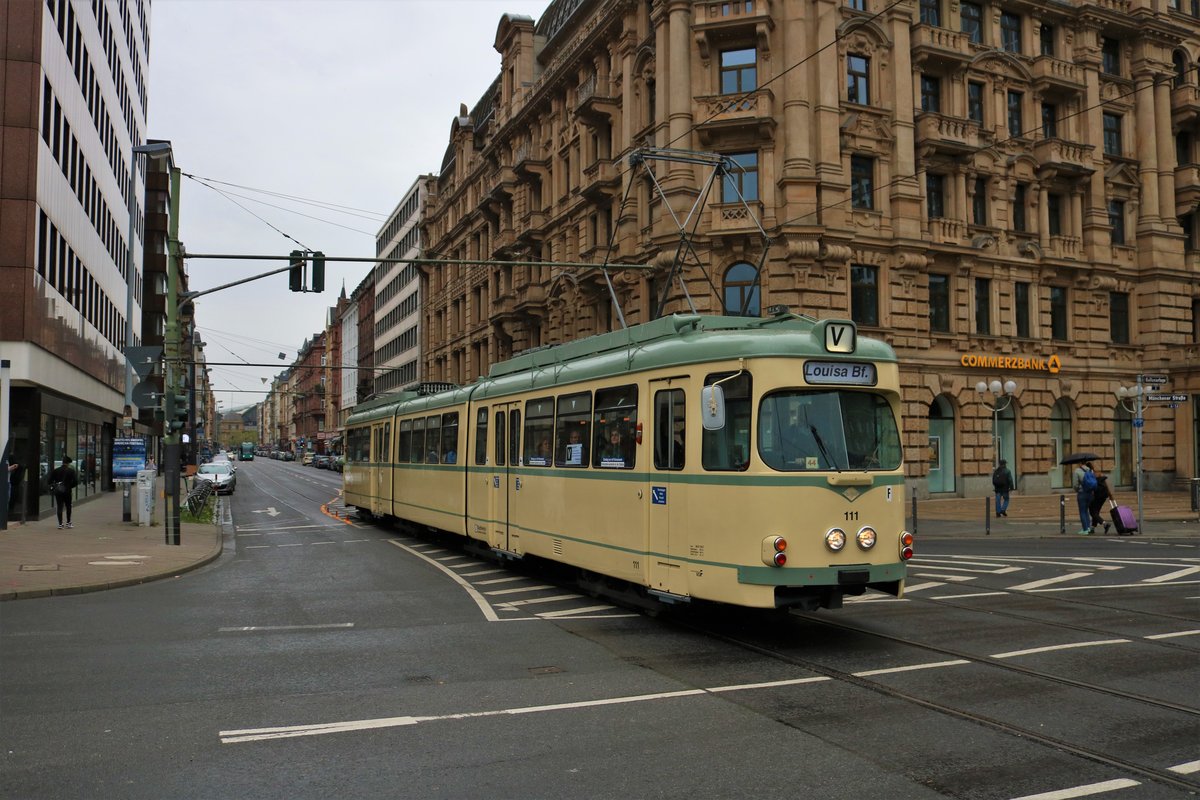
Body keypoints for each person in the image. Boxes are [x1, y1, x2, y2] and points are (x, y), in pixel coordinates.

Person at [49, 456, 79, 529]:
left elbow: (49, 481)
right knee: (68, 506)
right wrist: (69, 486)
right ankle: (68, 522)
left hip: (58, 491)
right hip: (67, 491)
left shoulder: (56, 470)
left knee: (59, 506)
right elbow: (76, 482)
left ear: (62, 462)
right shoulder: (71, 471)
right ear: (68, 463)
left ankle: (60, 524)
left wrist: (55, 485)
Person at [1072, 460, 1097, 535]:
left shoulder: (1077, 471)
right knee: (1086, 511)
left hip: (1082, 493)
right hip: (1090, 493)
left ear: (1080, 463)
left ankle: (1085, 529)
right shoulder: (1090, 470)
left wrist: (1077, 489)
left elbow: (1075, 484)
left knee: (1082, 511)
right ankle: (1088, 527)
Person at [1088, 467, 1113, 535]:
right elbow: (1107, 486)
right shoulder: (1101, 476)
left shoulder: (1092, 476)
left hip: (1097, 496)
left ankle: (1105, 524)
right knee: (1096, 512)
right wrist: (1110, 495)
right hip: (1103, 496)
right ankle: (1092, 528)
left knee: (1092, 512)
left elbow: (1092, 487)